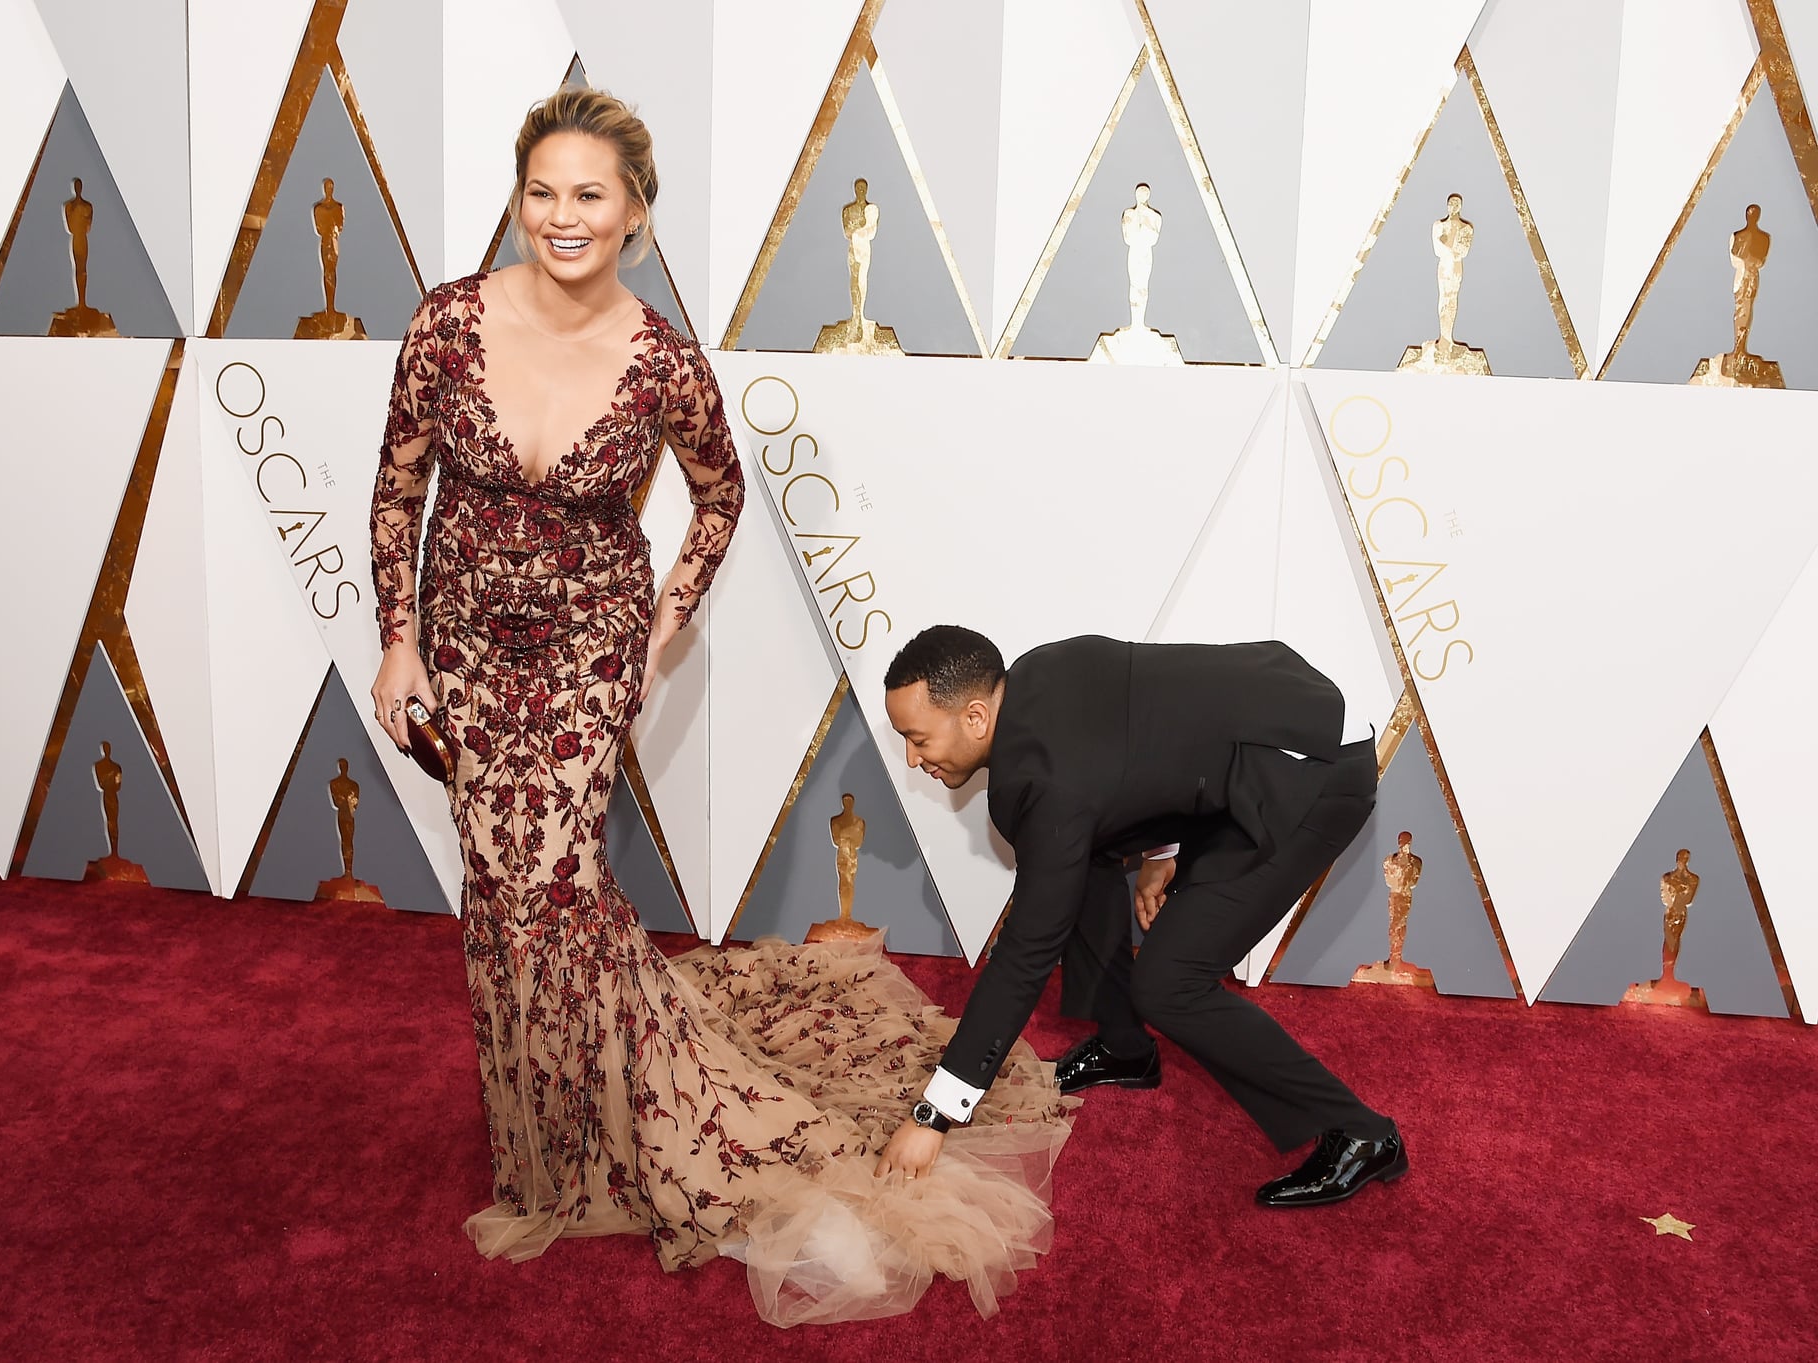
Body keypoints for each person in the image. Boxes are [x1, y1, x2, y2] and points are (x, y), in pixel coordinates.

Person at [366, 89, 1071, 1325]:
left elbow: (719, 496)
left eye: (589, 194)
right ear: (517, 200)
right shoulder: (447, 322)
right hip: (465, 649)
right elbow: (398, 481)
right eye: (541, 191)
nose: (562, 216)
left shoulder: (661, 361)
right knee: (504, 898)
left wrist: (658, 630)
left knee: (550, 887)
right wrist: (397, 640)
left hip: (585, 653)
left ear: (633, 213)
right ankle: (544, 1143)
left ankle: (630, 1133)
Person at [876, 626, 1407, 1207]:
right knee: (1081, 862)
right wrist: (1162, 853)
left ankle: (1361, 1132)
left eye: (917, 739)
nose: (912, 758)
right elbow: (1144, 741)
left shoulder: (1043, 785)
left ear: (976, 717)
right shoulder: (1036, 674)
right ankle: (1126, 1046)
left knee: (1169, 983)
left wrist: (936, 1114)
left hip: (1311, 773)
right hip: (1261, 735)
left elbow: (1026, 953)